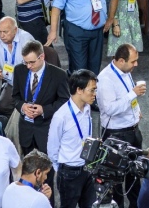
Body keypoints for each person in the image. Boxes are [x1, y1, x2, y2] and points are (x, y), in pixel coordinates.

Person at [98, 44, 146, 208]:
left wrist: (136, 111)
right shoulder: (105, 79)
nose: (136, 64)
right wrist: (133, 94)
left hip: (132, 130)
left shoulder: (125, 71)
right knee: (116, 179)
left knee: (135, 173)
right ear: (120, 61)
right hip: (116, 135)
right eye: (133, 61)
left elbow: (126, 97)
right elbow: (110, 109)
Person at [47, 69, 98, 208]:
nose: (94, 94)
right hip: (69, 172)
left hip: (88, 168)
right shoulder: (61, 116)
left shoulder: (87, 108)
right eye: (92, 90)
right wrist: (61, 170)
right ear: (79, 90)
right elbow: (52, 149)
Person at [11, 39, 69, 156]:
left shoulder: (59, 75)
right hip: (26, 131)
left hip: (47, 130)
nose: (28, 66)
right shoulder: (19, 70)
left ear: (42, 57)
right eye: (25, 62)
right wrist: (22, 106)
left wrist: (44, 110)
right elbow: (15, 97)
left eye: (31, 62)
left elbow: (64, 101)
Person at [0, 16, 35, 117]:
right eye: (0, 32)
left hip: (29, 82)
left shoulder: (26, 39)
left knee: (31, 107)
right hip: (11, 82)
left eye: (5, 32)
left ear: (15, 30)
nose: (2, 35)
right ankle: (13, 123)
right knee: (3, 106)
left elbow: (34, 63)